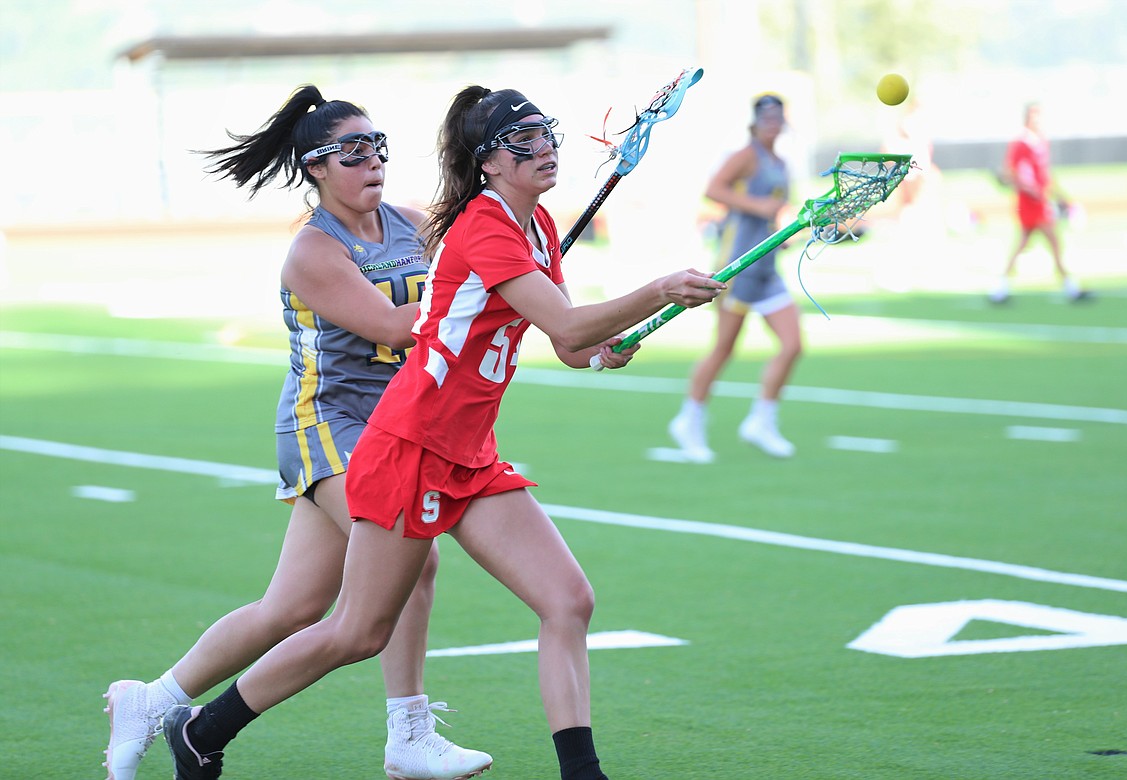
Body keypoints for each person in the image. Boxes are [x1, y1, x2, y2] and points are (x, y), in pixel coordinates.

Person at [160, 85, 724, 780]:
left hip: (470, 449)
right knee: (356, 632)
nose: (545, 150)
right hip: (411, 445)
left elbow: (572, 343)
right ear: (488, 162)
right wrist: (659, 288)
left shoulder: (538, 227)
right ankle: (203, 730)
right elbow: (570, 326)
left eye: (546, 134)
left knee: (567, 598)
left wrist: (614, 343)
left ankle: (583, 773)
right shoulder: (486, 227)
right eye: (525, 142)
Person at [102, 84, 492, 780]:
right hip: (329, 422)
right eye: (353, 152)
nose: (372, 162)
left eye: (378, 148)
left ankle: (152, 699)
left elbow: (477, 259)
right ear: (315, 167)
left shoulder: (408, 222)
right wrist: (468, 294)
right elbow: (398, 327)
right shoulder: (313, 252)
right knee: (414, 556)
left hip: (393, 423)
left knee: (292, 606)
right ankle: (407, 733)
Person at [668, 93, 802, 463]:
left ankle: (762, 421)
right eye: (766, 117)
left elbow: (772, 211)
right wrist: (757, 206)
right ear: (756, 122)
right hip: (739, 264)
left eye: (778, 117)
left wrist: (782, 234)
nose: (772, 123)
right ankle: (689, 420)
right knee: (724, 348)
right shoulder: (747, 155)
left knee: (792, 345)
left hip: (768, 267)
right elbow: (713, 189)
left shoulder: (781, 162)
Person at [990, 101, 1089, 304]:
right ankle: (1071, 287)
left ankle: (1001, 288)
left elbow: (1045, 174)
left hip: (1041, 200)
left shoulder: (1041, 141)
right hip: (1030, 202)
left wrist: (1060, 196)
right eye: (1035, 115)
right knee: (1050, 241)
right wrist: (1028, 188)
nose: (1038, 119)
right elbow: (1011, 172)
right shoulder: (1020, 142)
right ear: (1027, 116)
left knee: (1027, 243)